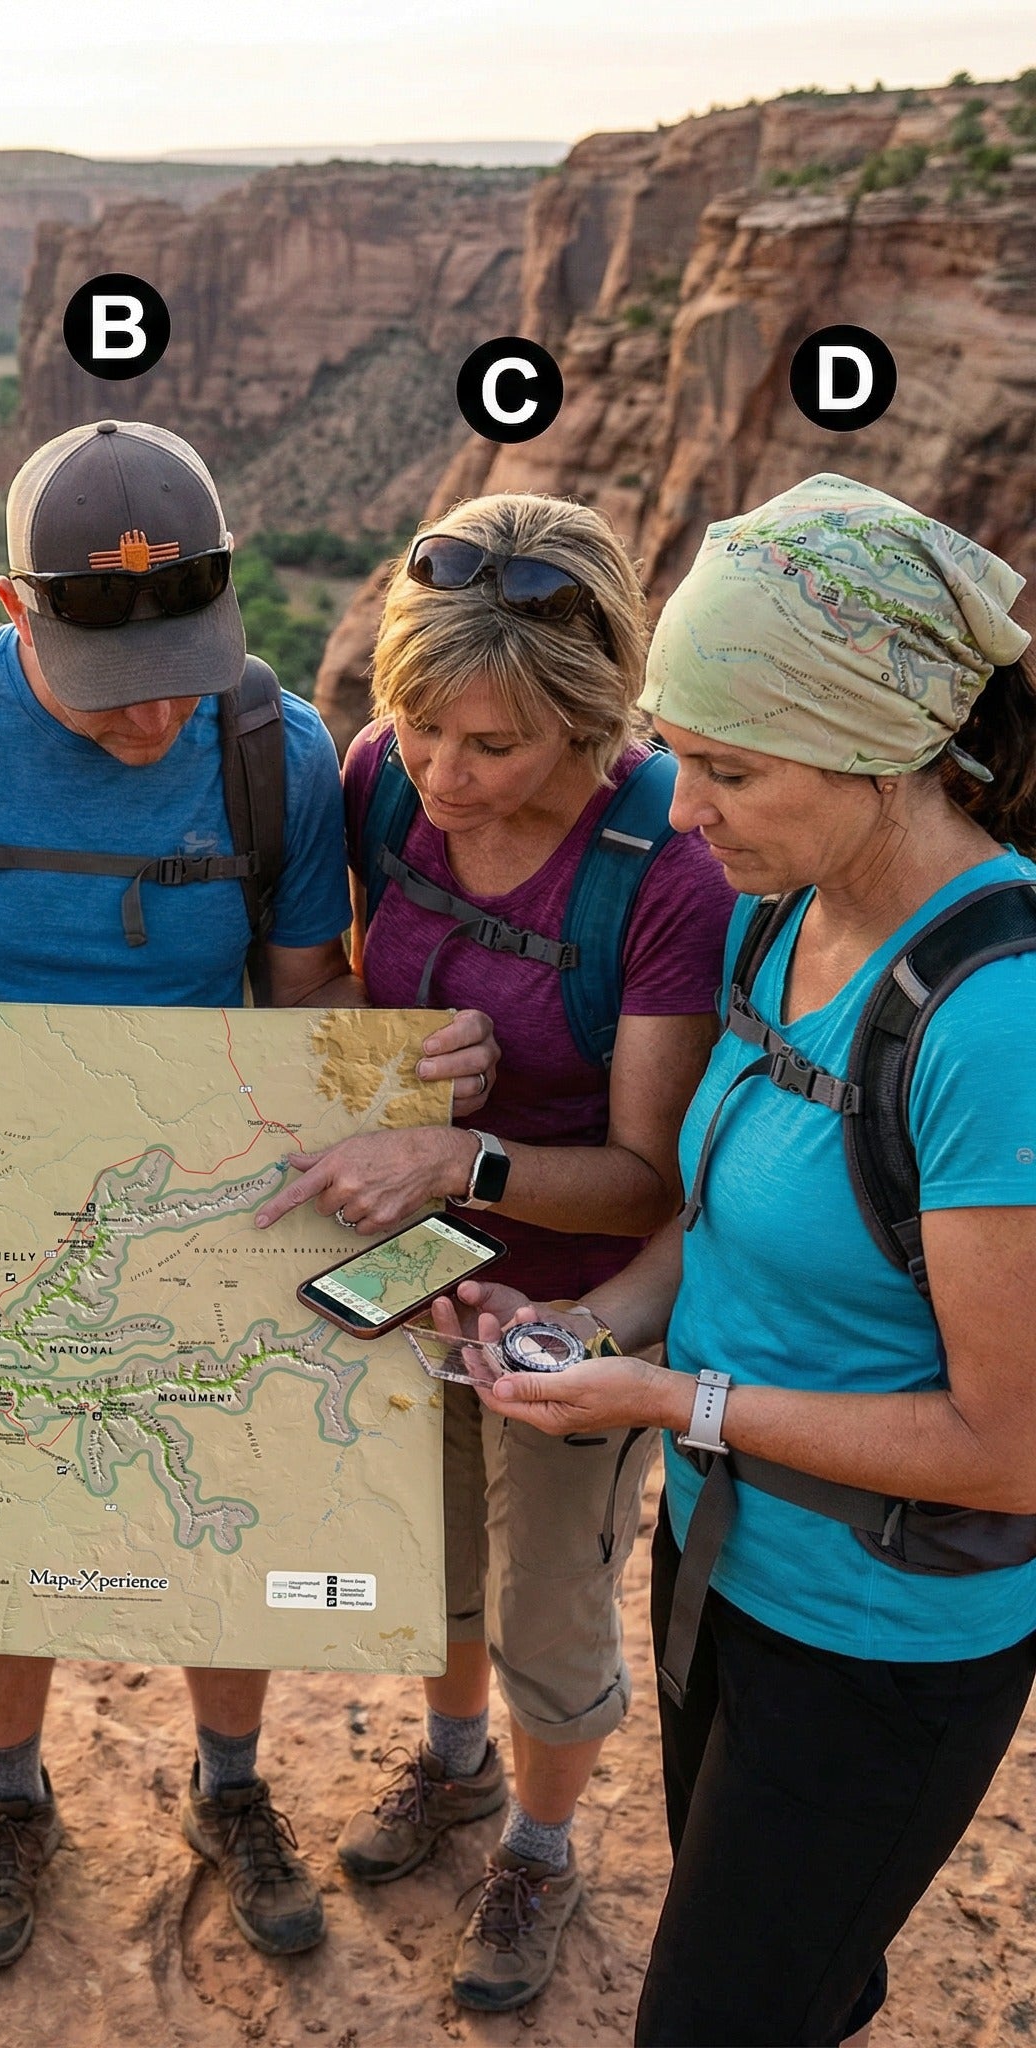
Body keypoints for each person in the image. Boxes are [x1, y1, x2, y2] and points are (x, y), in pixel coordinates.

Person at [0, 418, 497, 1973]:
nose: (160, 716)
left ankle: (231, 1783)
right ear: (16, 611)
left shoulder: (266, 745)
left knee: (220, 1488)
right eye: (122, 687)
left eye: (188, 669)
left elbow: (303, 984)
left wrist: (392, 1097)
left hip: (201, 1189)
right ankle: (13, 1796)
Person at [437, 474, 1036, 2046]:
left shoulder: (1001, 1025)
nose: (682, 814)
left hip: (882, 1640)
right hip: (727, 1573)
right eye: (680, 759)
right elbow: (707, 1221)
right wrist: (589, 1319)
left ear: (886, 757)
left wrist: (673, 1399)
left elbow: (1010, 1444)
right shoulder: (792, 913)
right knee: (788, 1972)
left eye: (728, 771)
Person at [253, 492, 735, 2010]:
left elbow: (655, 1184)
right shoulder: (382, 783)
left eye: (492, 747)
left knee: (549, 1582)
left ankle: (539, 1840)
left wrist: (470, 1150)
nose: (441, 777)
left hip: (580, 1297)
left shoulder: (669, 874)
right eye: (418, 725)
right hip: (418, 1260)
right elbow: (327, 989)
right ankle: (456, 1763)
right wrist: (391, 1056)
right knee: (431, 1539)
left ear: (593, 726)